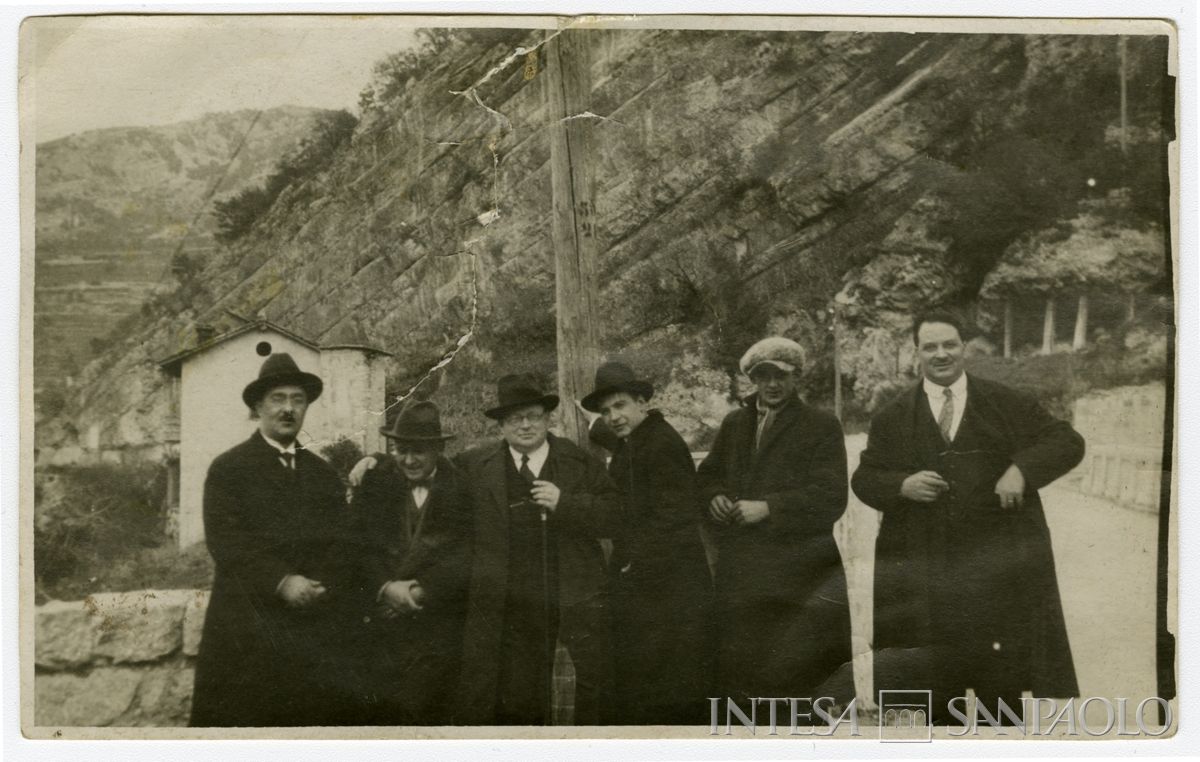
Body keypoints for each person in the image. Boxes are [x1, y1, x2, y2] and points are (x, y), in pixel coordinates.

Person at [851, 310, 1085, 723]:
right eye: (930, 347)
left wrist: (1022, 470)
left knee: (1001, 692)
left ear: (964, 347)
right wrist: (901, 485)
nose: (941, 354)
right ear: (916, 352)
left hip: (995, 573)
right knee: (939, 690)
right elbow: (865, 478)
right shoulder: (893, 416)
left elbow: (1066, 441)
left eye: (949, 344)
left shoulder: (1004, 401)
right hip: (928, 576)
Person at [190, 353, 356, 727]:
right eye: (278, 399)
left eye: (298, 400)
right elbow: (226, 542)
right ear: (258, 407)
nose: (288, 409)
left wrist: (321, 584)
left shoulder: (322, 473)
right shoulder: (229, 469)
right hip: (246, 627)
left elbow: (342, 543)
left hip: (309, 627)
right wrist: (281, 581)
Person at [455, 373, 623, 725]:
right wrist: (376, 463)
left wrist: (566, 503)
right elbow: (429, 471)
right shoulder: (476, 466)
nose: (526, 425)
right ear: (501, 425)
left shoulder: (578, 461)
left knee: (591, 684)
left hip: (574, 593)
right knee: (519, 690)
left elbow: (615, 516)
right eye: (515, 418)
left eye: (533, 416)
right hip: (513, 601)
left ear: (548, 419)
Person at [696, 337, 853, 706]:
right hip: (742, 574)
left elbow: (831, 497)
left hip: (800, 575)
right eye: (763, 376)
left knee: (797, 678)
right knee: (743, 677)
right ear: (752, 379)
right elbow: (707, 476)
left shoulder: (821, 425)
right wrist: (713, 497)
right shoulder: (735, 424)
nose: (772, 384)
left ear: (796, 376)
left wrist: (770, 507)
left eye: (780, 375)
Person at [579, 360, 713, 725]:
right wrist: (594, 424)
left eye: (620, 405)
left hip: (668, 586)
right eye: (606, 411)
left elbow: (676, 516)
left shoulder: (661, 444)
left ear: (642, 402)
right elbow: (623, 448)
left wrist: (633, 561)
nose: (613, 417)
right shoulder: (639, 438)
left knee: (667, 682)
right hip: (653, 583)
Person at [347, 400, 472, 725]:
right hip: (381, 626)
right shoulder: (375, 481)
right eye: (401, 450)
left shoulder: (462, 489)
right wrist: (385, 588)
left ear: (438, 450)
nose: (409, 460)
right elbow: (357, 545)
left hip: (434, 629)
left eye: (419, 451)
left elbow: (466, 554)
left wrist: (420, 591)